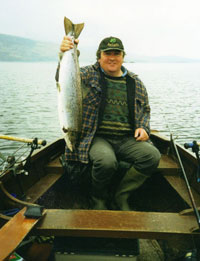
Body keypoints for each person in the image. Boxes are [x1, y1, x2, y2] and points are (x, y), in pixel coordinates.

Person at [57, 36, 161, 210]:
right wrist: (63, 54)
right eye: (107, 53)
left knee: (152, 156)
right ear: (99, 56)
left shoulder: (135, 82)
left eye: (116, 53)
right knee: (106, 161)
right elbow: (63, 78)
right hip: (97, 138)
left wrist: (143, 128)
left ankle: (122, 195)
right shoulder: (87, 74)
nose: (112, 57)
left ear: (122, 56)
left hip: (127, 139)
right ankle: (98, 197)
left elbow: (145, 110)